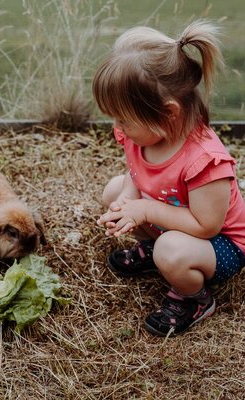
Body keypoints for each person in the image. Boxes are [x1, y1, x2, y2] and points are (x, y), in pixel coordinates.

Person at [92, 20, 245, 336]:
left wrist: (145, 211)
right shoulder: (142, 135)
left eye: (124, 118)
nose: (118, 127)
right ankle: (152, 250)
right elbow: (137, 171)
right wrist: (130, 196)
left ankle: (196, 299)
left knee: (171, 249)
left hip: (220, 244)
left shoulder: (204, 161)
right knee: (114, 191)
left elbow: (206, 225)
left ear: (168, 112)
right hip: (174, 221)